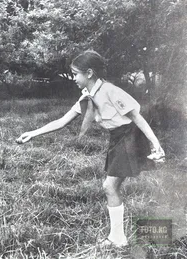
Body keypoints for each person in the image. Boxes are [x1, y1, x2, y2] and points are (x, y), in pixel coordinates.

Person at [16, 50, 165, 248]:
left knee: (109, 186)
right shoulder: (87, 97)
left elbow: (137, 117)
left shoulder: (110, 90)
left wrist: (155, 143)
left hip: (130, 137)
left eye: (75, 73)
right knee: (111, 187)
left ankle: (117, 239)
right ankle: (117, 238)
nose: (74, 78)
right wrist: (32, 133)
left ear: (89, 73)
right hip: (117, 138)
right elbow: (62, 121)